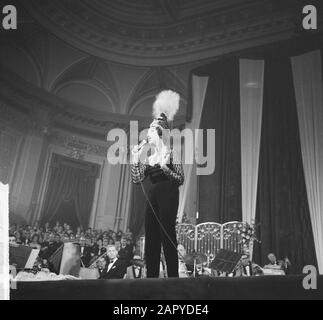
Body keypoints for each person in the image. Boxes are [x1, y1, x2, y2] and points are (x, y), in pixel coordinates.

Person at [131, 90, 184, 278]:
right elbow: (137, 179)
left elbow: (180, 179)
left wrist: (165, 168)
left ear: (160, 132)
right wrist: (135, 158)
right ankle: (151, 276)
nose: (149, 133)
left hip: (169, 192)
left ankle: (173, 277)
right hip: (153, 193)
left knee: (166, 233)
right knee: (151, 235)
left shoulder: (171, 153)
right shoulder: (149, 156)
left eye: (152, 129)